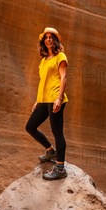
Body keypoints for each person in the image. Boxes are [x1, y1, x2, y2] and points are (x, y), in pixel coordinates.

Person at [25, 27, 68, 180]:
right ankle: (50, 151)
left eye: (51, 37)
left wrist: (59, 97)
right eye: (46, 37)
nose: (48, 39)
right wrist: (38, 100)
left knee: (57, 132)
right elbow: (43, 81)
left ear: (55, 41)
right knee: (30, 127)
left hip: (55, 97)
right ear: (43, 41)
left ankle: (60, 168)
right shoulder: (43, 60)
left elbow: (63, 77)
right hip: (44, 99)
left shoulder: (60, 56)